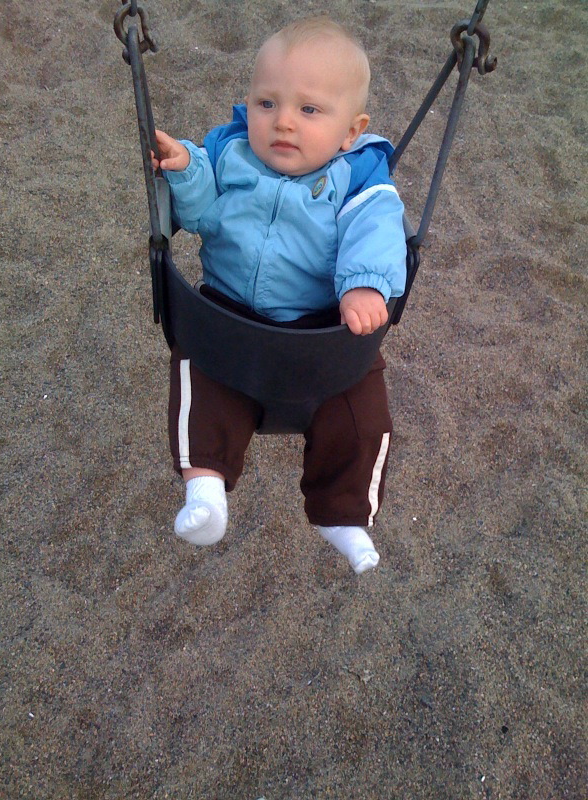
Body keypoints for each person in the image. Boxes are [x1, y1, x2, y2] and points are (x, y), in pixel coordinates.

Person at [152, 16, 407, 574]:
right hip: (228, 318)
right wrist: (185, 170)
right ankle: (206, 491)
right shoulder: (230, 154)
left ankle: (342, 514)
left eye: (308, 110)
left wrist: (365, 284)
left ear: (350, 131)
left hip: (322, 333)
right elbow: (199, 213)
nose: (282, 122)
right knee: (200, 377)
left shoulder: (359, 179)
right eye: (267, 103)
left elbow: (378, 230)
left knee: (362, 414)